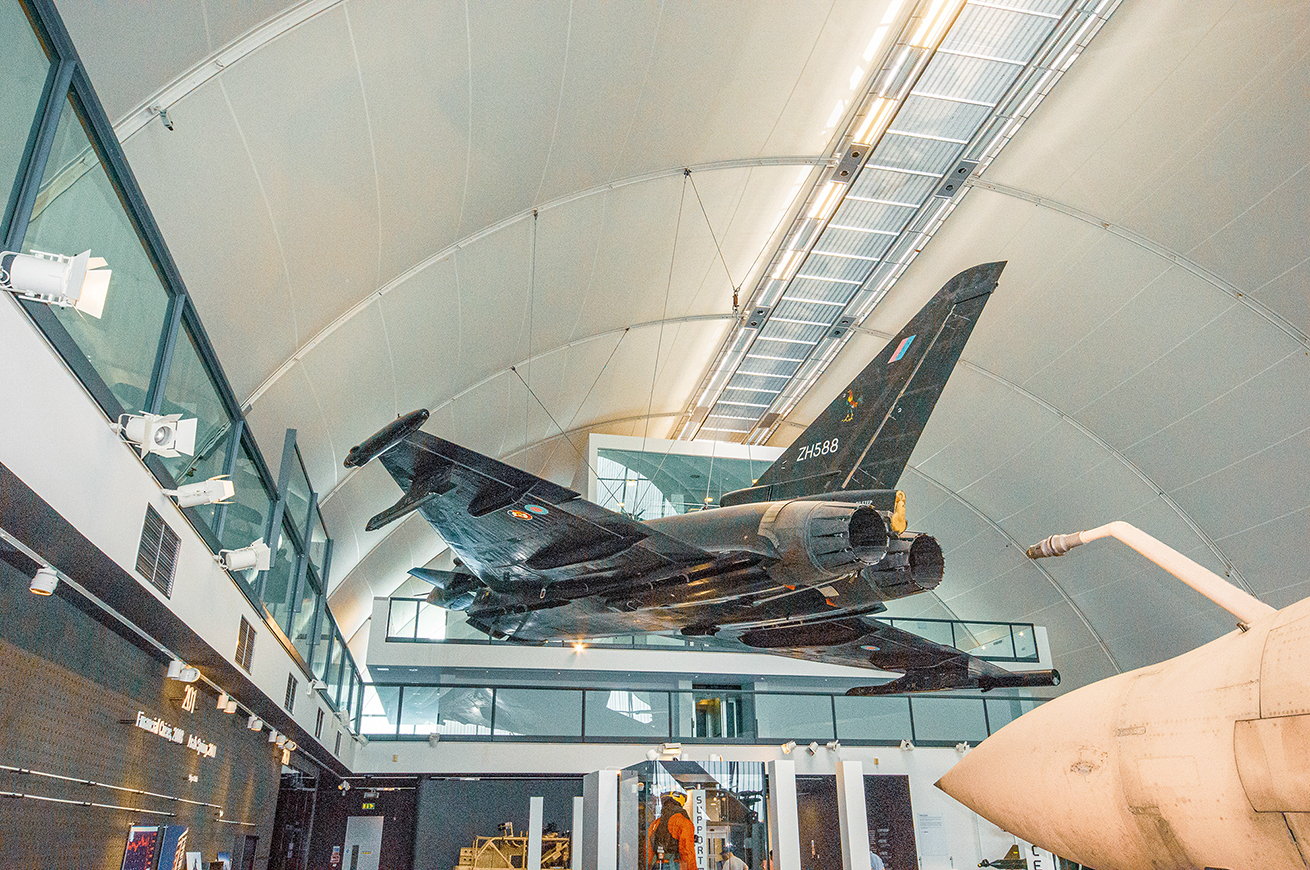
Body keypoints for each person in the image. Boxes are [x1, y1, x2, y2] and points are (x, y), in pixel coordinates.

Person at [648, 792, 699, 870]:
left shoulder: (656, 823)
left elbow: (648, 849)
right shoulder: (683, 822)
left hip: (657, 864)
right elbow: (687, 850)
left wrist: (648, 866)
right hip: (674, 865)